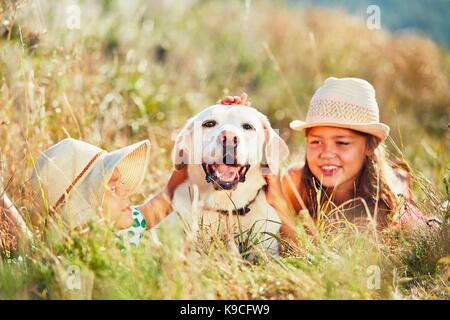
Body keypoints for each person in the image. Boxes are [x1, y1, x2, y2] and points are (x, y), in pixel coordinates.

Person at [31, 138, 184, 246]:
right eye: (112, 188)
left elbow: (156, 208)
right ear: (84, 209)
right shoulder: (76, 262)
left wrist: (182, 176)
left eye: (121, 182)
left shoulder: (124, 228)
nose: (126, 191)